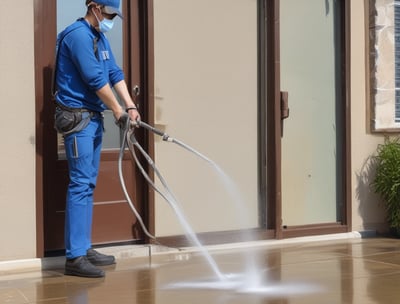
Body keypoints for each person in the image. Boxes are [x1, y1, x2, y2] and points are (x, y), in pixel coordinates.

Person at [53, 0, 140, 278]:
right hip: (78, 120)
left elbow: (113, 72)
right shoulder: (77, 35)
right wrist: (116, 110)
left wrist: (130, 106)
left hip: (92, 117)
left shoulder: (99, 37)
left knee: (88, 183)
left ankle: (84, 247)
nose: (111, 17)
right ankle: (75, 257)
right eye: (109, 12)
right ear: (94, 7)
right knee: (80, 183)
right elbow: (93, 78)